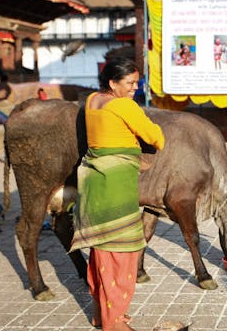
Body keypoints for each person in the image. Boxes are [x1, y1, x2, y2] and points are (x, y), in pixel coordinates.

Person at [69, 58, 164, 331]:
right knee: (121, 255)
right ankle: (114, 323)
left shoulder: (92, 100)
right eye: (130, 83)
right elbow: (157, 137)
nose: (135, 87)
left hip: (94, 182)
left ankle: (101, 315)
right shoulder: (124, 105)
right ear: (112, 83)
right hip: (115, 186)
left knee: (101, 253)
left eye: (137, 82)